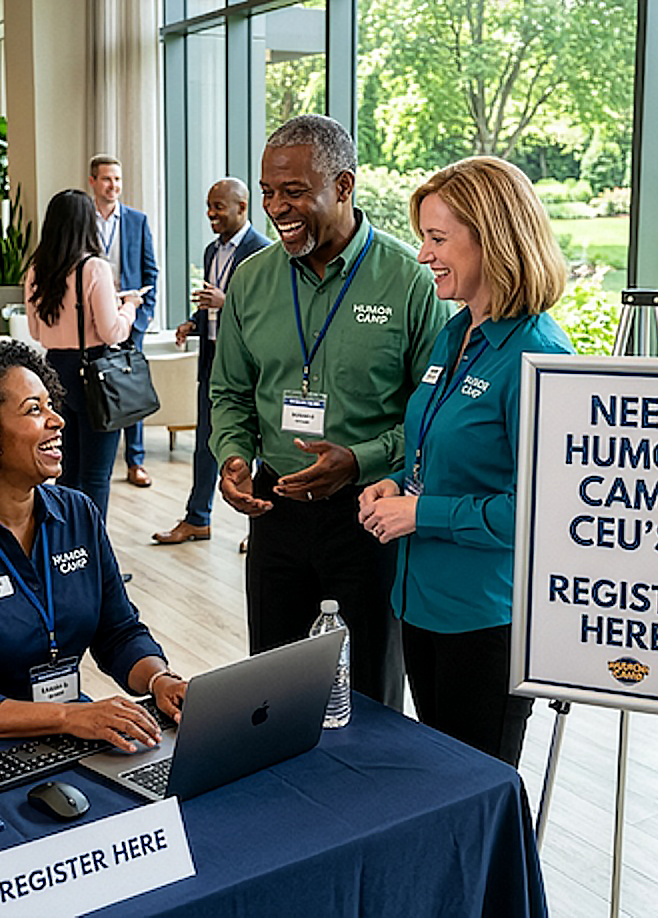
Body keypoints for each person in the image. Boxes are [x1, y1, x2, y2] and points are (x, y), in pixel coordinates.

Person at [209, 115, 452, 710]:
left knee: (369, 690)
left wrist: (360, 460)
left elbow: (430, 415)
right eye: (268, 192)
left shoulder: (409, 281)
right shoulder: (252, 279)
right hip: (276, 512)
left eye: (294, 192)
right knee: (272, 689)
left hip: (369, 517)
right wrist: (234, 455)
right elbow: (230, 392)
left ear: (343, 186)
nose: (276, 208)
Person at [358, 156, 574, 767]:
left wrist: (422, 514)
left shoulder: (540, 355)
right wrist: (395, 482)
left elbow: (542, 516)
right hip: (421, 603)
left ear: (494, 237)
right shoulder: (456, 333)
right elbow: (437, 448)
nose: (423, 255)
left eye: (437, 239)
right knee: (443, 787)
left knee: (479, 793)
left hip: (487, 622)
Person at [0, 342, 185, 761]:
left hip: (55, 740)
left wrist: (160, 681)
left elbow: (118, 633)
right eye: (34, 409)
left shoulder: (78, 515)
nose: (58, 420)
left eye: (51, 405)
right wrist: (67, 717)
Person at [152, 177, 269, 546]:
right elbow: (211, 304)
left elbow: (268, 313)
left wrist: (225, 303)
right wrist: (194, 321)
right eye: (209, 206)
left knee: (259, 446)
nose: (211, 213)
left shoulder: (264, 252)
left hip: (250, 362)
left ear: (242, 207)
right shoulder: (210, 252)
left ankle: (262, 528)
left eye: (219, 206)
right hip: (213, 359)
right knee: (206, 440)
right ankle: (197, 518)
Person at [26, 189, 140, 521]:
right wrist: (129, 308)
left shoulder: (37, 269)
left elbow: (36, 332)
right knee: (96, 474)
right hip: (93, 375)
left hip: (53, 373)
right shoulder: (94, 268)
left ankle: (67, 550)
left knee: (66, 472)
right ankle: (94, 558)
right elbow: (112, 332)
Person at [88, 154, 158, 488]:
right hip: (92, 319)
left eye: (117, 179)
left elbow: (151, 272)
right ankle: (95, 457)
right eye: (106, 179)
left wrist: (142, 319)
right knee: (97, 385)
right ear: (93, 182)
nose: (113, 185)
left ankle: (135, 460)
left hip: (129, 317)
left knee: (131, 387)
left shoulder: (136, 220)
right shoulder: (82, 220)